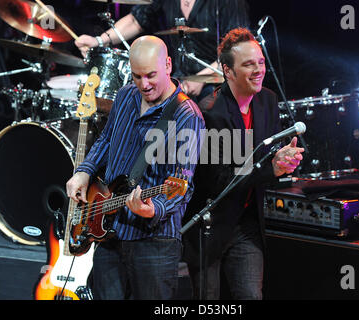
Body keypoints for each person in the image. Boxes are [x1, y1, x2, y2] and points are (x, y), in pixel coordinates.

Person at [66, 35, 205, 300]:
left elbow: (182, 185)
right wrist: (84, 171)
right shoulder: (125, 95)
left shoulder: (187, 115)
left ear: (168, 65)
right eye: (137, 76)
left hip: (154, 242)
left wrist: (153, 208)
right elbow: (106, 139)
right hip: (110, 230)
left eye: (151, 75)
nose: (144, 84)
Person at [182, 28, 304, 300]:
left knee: (251, 295)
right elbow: (220, 181)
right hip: (209, 226)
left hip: (247, 222)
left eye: (260, 62)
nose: (258, 69)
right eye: (249, 64)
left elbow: (265, 159)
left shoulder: (268, 101)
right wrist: (271, 167)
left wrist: (283, 163)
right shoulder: (211, 112)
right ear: (228, 71)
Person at [74, 0, 250, 101]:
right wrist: (98, 40)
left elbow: (237, 50)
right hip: (179, 82)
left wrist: (202, 79)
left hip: (219, 83)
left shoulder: (229, 3)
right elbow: (136, 20)